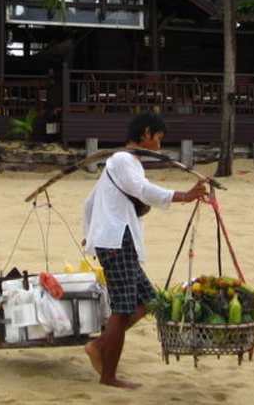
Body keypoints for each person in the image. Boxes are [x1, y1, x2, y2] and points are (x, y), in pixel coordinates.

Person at [81, 113, 207, 389]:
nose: (160, 144)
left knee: (149, 302)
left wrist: (90, 233)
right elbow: (143, 190)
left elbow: (91, 202)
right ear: (147, 133)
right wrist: (183, 196)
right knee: (123, 308)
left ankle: (101, 344)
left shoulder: (126, 163)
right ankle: (108, 375)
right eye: (158, 137)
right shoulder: (123, 160)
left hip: (116, 241)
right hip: (117, 243)